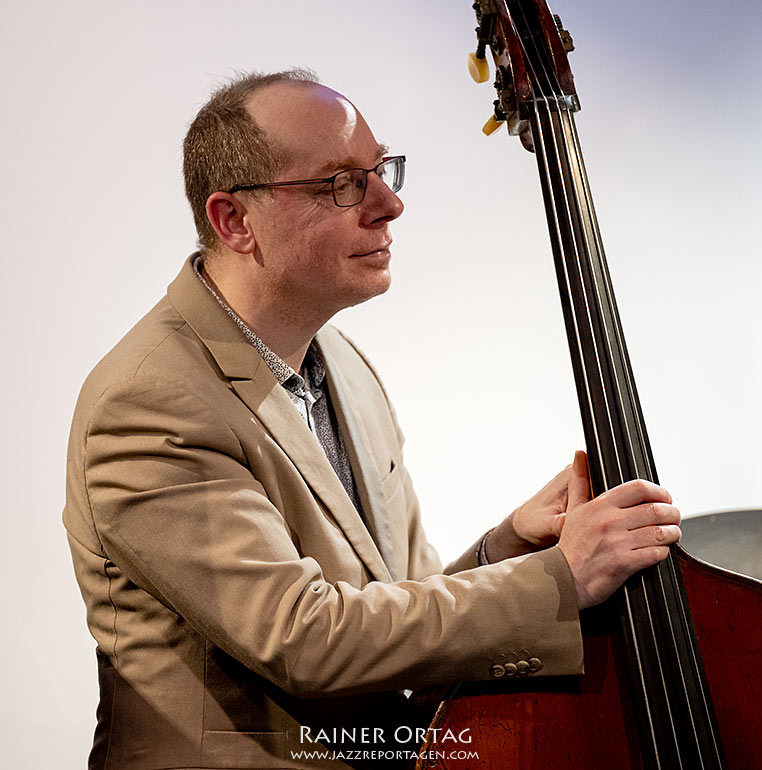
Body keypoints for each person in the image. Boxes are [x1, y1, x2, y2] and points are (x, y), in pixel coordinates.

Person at [63, 69, 681, 770]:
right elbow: (306, 639)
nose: (389, 204)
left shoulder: (343, 364)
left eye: (380, 171)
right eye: (340, 183)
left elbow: (399, 612)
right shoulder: (149, 401)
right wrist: (561, 579)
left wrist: (507, 548)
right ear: (234, 221)